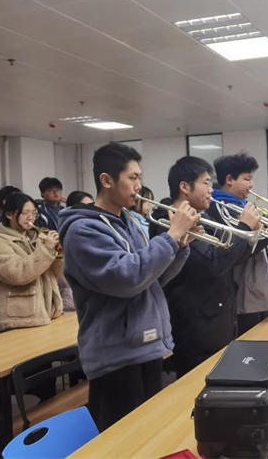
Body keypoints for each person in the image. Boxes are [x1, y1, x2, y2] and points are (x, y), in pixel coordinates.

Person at [58, 142, 199, 432]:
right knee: (123, 442)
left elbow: (152, 278)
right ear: (106, 180)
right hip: (115, 356)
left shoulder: (128, 221)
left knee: (149, 436)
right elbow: (127, 278)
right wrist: (171, 236)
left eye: (139, 178)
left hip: (145, 347)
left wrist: (181, 246)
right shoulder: (83, 230)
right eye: (132, 178)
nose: (138, 186)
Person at [149, 156, 261, 377]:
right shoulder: (169, 221)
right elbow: (213, 263)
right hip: (196, 328)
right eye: (206, 183)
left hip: (216, 318)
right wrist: (244, 227)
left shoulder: (202, 217)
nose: (211, 190)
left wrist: (252, 233)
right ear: (184, 187)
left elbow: (230, 256)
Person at [209, 153, 268, 335]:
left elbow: (264, 244)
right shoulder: (222, 206)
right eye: (247, 179)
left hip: (258, 289)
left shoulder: (243, 205)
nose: (251, 184)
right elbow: (243, 246)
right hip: (245, 293)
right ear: (229, 179)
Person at [0, 193, 63, 332]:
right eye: (25, 213)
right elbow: (18, 274)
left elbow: (57, 274)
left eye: (34, 213)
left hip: (43, 312)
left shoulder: (37, 238)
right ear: (9, 214)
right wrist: (46, 250)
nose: (30, 218)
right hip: (16, 318)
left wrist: (58, 254)